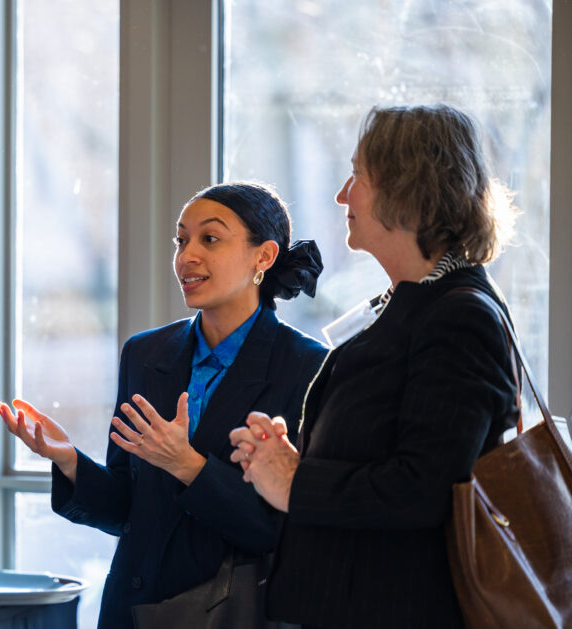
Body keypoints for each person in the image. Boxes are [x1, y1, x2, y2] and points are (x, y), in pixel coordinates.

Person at [230, 104, 519, 628]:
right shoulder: (418, 302)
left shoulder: (459, 317)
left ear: (408, 188)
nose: (343, 194)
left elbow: (423, 489)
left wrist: (297, 482)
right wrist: (287, 459)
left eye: (358, 175)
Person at [0, 182, 327, 629]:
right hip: (131, 613)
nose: (186, 256)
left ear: (263, 257)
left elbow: (280, 532)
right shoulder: (145, 354)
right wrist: (69, 460)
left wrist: (188, 465)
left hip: (231, 617)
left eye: (209, 239)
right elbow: (127, 511)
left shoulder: (306, 367)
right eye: (181, 239)